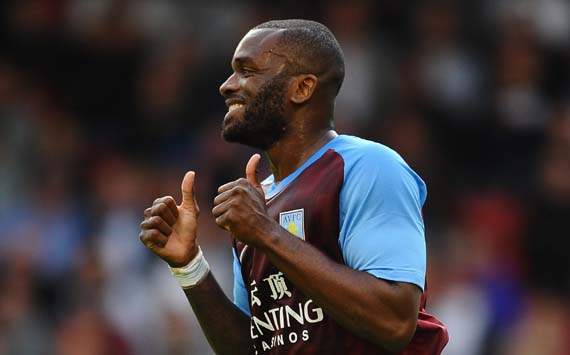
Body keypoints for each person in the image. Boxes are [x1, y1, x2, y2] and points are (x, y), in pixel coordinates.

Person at [139, 19, 448, 354]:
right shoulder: (256, 203)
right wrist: (189, 265)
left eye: (247, 70)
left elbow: (395, 322)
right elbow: (257, 347)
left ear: (302, 88)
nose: (227, 86)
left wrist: (265, 232)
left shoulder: (367, 167)